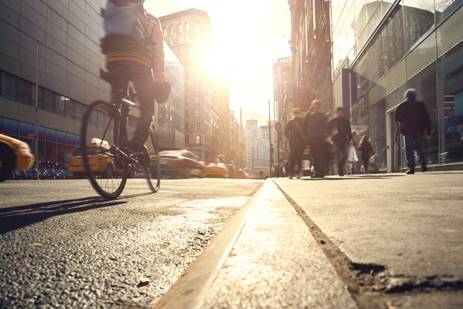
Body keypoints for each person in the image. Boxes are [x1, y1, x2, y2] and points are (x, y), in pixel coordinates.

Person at [101, 0, 169, 152]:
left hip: (115, 61)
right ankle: (136, 144)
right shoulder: (151, 20)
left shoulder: (116, 14)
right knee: (148, 108)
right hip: (140, 63)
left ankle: (121, 146)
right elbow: (158, 53)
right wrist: (160, 80)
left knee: (120, 104)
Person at [395, 89, 432, 174]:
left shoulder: (402, 105)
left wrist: (401, 126)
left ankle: (411, 168)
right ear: (415, 95)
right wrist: (428, 130)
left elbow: (397, 118)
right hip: (419, 130)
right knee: (420, 148)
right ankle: (423, 164)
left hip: (407, 131)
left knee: (409, 149)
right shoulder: (421, 105)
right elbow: (427, 118)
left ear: (406, 96)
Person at [305, 100, 329, 178]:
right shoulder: (310, 115)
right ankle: (318, 172)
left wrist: (324, 135)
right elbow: (305, 123)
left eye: (314, 105)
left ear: (318, 106)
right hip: (312, 139)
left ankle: (320, 172)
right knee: (314, 156)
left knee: (319, 156)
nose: (313, 107)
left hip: (319, 138)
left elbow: (326, 126)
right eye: (312, 105)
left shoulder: (322, 116)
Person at [328, 107, 353, 176]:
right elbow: (327, 130)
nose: (340, 113)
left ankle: (341, 167)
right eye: (338, 112)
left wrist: (350, 139)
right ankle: (340, 170)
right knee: (338, 155)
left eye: (341, 112)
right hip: (335, 140)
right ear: (335, 113)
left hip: (344, 140)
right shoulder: (332, 121)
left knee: (345, 155)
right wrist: (331, 134)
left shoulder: (345, 121)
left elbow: (349, 130)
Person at [284, 108, 306, 179]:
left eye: (297, 113)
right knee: (298, 158)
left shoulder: (291, 121)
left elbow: (286, 132)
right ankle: (297, 173)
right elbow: (286, 132)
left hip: (294, 143)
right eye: (296, 113)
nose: (296, 114)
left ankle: (292, 173)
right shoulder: (302, 121)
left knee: (293, 158)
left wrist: (290, 138)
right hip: (299, 143)